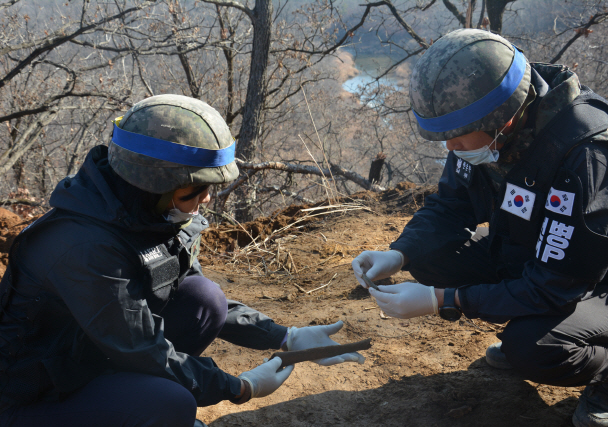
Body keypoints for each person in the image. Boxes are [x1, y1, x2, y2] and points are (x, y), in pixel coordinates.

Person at [0, 94, 364, 427]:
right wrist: (238, 387)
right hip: (31, 399)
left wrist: (285, 336)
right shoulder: (83, 248)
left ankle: (131, 408)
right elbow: (141, 348)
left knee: (204, 299)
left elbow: (181, 286)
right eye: (197, 190)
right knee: (170, 403)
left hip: (87, 359)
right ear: (155, 184)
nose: (206, 200)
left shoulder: (145, 213)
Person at [352, 29, 608, 427]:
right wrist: (398, 253)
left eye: (455, 136)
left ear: (501, 118)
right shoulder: (484, 130)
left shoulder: (587, 156)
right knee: (429, 254)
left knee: (536, 348)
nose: (449, 148)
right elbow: (451, 207)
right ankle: (528, 323)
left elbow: (554, 285)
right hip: (539, 255)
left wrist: (443, 299)